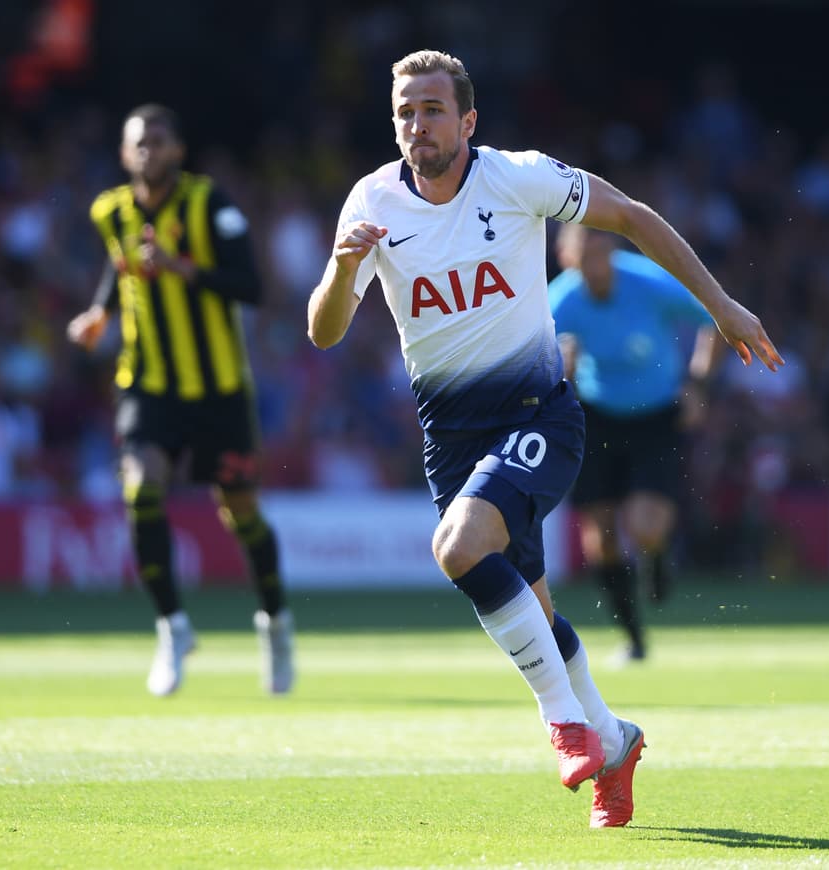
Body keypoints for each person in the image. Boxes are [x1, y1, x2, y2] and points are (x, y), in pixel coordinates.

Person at [306, 50, 783, 828]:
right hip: (451, 439)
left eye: (431, 109)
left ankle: (563, 723)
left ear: (467, 121)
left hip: (540, 412)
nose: (415, 124)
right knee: (531, 606)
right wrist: (339, 268)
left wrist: (723, 305)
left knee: (458, 548)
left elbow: (629, 215)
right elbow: (324, 332)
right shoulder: (370, 202)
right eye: (403, 111)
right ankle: (614, 738)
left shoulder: (517, 176)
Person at [67, 104, 294, 697]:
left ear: (178, 151)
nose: (148, 151)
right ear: (124, 154)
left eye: (159, 141)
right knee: (140, 488)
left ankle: (275, 623)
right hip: (146, 384)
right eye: (138, 143)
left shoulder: (209, 205)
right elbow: (119, 270)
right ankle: (172, 627)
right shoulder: (109, 211)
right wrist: (99, 312)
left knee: (241, 513)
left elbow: (250, 285)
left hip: (218, 389)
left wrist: (181, 268)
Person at [549, 224, 720, 662]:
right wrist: (559, 371)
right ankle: (634, 639)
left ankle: (657, 555)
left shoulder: (647, 281)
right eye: (584, 254)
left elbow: (714, 317)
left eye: (601, 251)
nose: (595, 263)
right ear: (567, 257)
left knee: (645, 527)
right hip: (596, 418)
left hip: (656, 416)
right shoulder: (561, 299)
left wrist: (698, 383)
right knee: (601, 541)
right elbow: (540, 363)